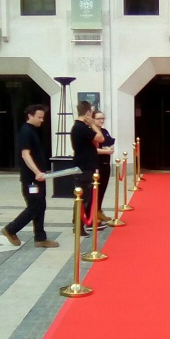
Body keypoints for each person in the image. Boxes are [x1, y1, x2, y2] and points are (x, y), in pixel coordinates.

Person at [1, 104, 59, 248]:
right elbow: (25, 155)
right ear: (30, 116)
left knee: (41, 205)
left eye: (42, 117)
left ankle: (40, 237)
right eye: (39, 117)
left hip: (39, 178)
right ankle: (11, 229)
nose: (41, 120)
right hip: (31, 179)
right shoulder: (26, 132)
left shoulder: (33, 131)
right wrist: (36, 172)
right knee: (35, 206)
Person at [71, 101, 106, 237]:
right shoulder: (81, 127)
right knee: (84, 197)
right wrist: (92, 124)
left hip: (86, 165)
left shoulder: (81, 127)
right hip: (84, 167)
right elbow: (100, 138)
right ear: (87, 113)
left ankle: (81, 223)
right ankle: (79, 225)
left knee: (86, 197)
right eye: (91, 112)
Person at [93, 111, 115, 222]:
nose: (101, 120)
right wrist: (104, 151)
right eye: (98, 118)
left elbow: (110, 142)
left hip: (106, 163)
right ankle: (93, 212)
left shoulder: (104, 131)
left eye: (103, 118)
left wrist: (109, 148)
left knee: (102, 189)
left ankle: (99, 210)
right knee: (96, 189)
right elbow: (92, 149)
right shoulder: (92, 132)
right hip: (97, 164)